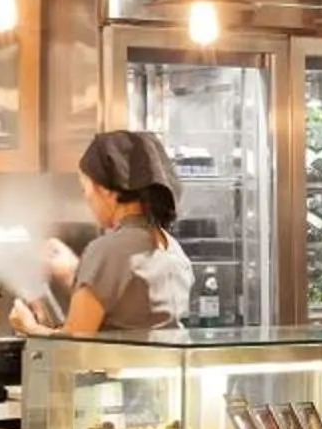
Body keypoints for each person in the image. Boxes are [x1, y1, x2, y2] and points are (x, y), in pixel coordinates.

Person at [11, 131, 194, 337]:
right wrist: (76, 275)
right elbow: (130, 312)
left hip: (116, 360)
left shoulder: (106, 251)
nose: (86, 199)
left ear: (106, 190)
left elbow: (76, 343)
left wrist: (30, 328)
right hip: (159, 359)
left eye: (85, 189)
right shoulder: (172, 247)